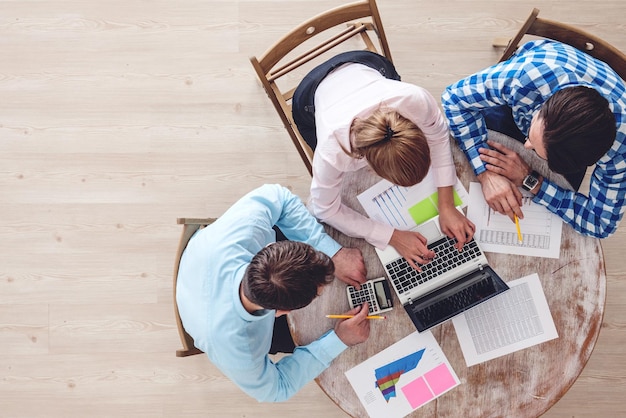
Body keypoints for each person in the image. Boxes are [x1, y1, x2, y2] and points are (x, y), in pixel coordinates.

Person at [176, 184, 370, 402]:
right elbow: (277, 389)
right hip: (206, 315)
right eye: (318, 294)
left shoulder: (246, 230)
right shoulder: (238, 348)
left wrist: (333, 252)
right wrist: (339, 339)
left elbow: (280, 196)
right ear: (281, 312)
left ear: (270, 248)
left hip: (205, 260)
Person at [292, 50, 475, 271]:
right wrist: (392, 236)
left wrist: (446, 204)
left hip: (366, 65)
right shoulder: (331, 153)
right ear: (371, 168)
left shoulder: (415, 100)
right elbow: (324, 209)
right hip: (310, 94)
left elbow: (438, 136)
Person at [441, 39, 626, 239]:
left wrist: (530, 180)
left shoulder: (620, 153)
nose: (526, 146)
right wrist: (485, 174)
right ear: (545, 106)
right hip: (529, 92)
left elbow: (599, 224)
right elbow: (453, 98)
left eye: (537, 151)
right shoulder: (526, 76)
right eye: (531, 136)